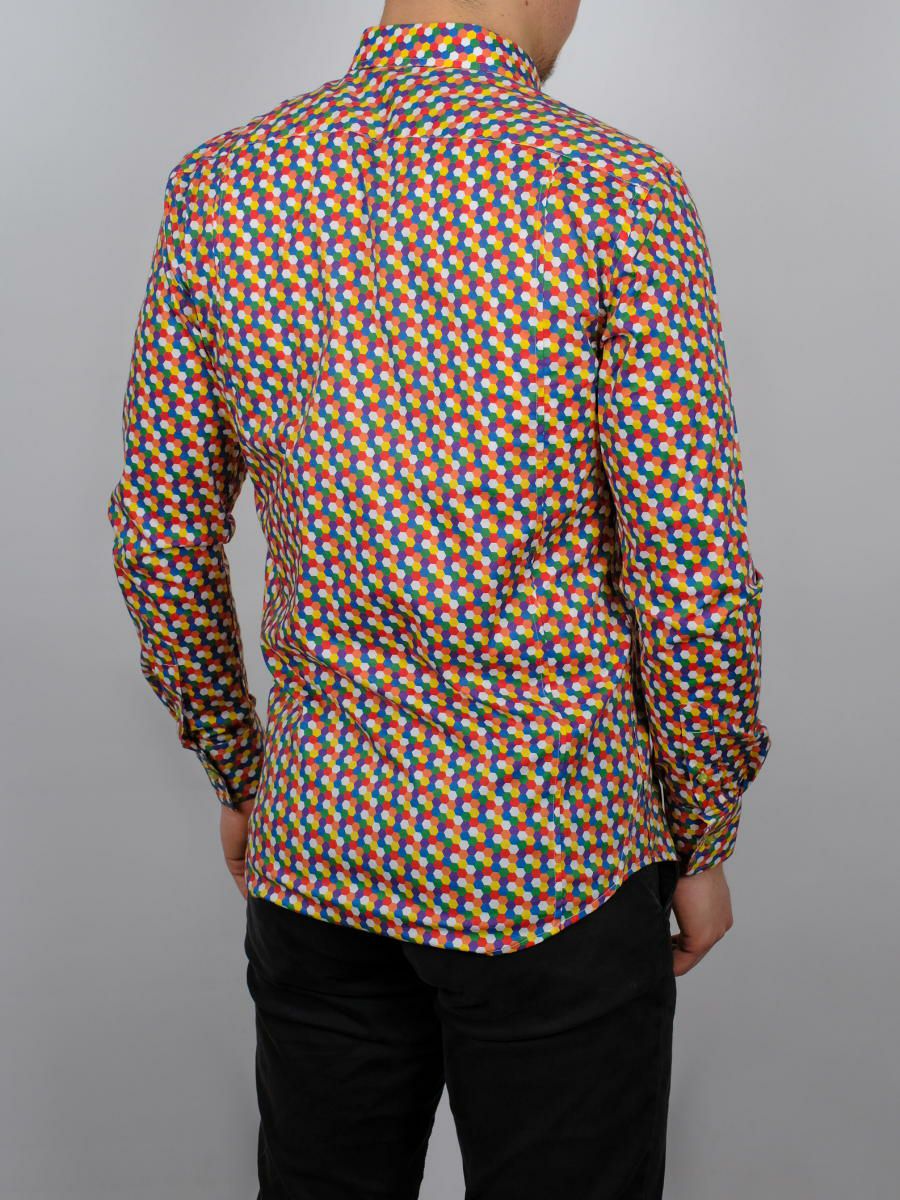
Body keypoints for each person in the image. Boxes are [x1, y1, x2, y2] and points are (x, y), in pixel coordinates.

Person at [107, 1, 771, 1195]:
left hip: (319, 844)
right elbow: (694, 572)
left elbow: (162, 536)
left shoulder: (220, 189)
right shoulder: (617, 192)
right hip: (556, 851)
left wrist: (247, 774)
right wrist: (701, 829)